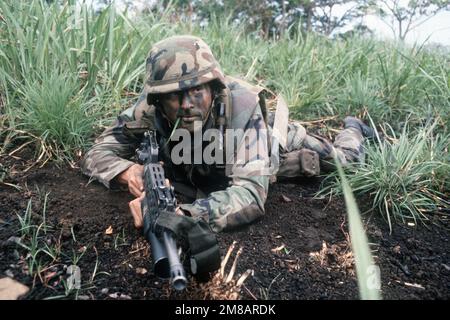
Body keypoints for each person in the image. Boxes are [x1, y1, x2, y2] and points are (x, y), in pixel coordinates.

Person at [81, 35, 374, 233]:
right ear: (158, 99)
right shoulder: (149, 109)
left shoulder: (241, 105)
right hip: (213, 166)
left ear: (212, 87)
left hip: (269, 141)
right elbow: (97, 152)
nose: (186, 105)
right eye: (174, 96)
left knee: (346, 162)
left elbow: (249, 196)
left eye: (196, 91)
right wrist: (129, 171)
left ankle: (353, 128)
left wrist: (183, 216)